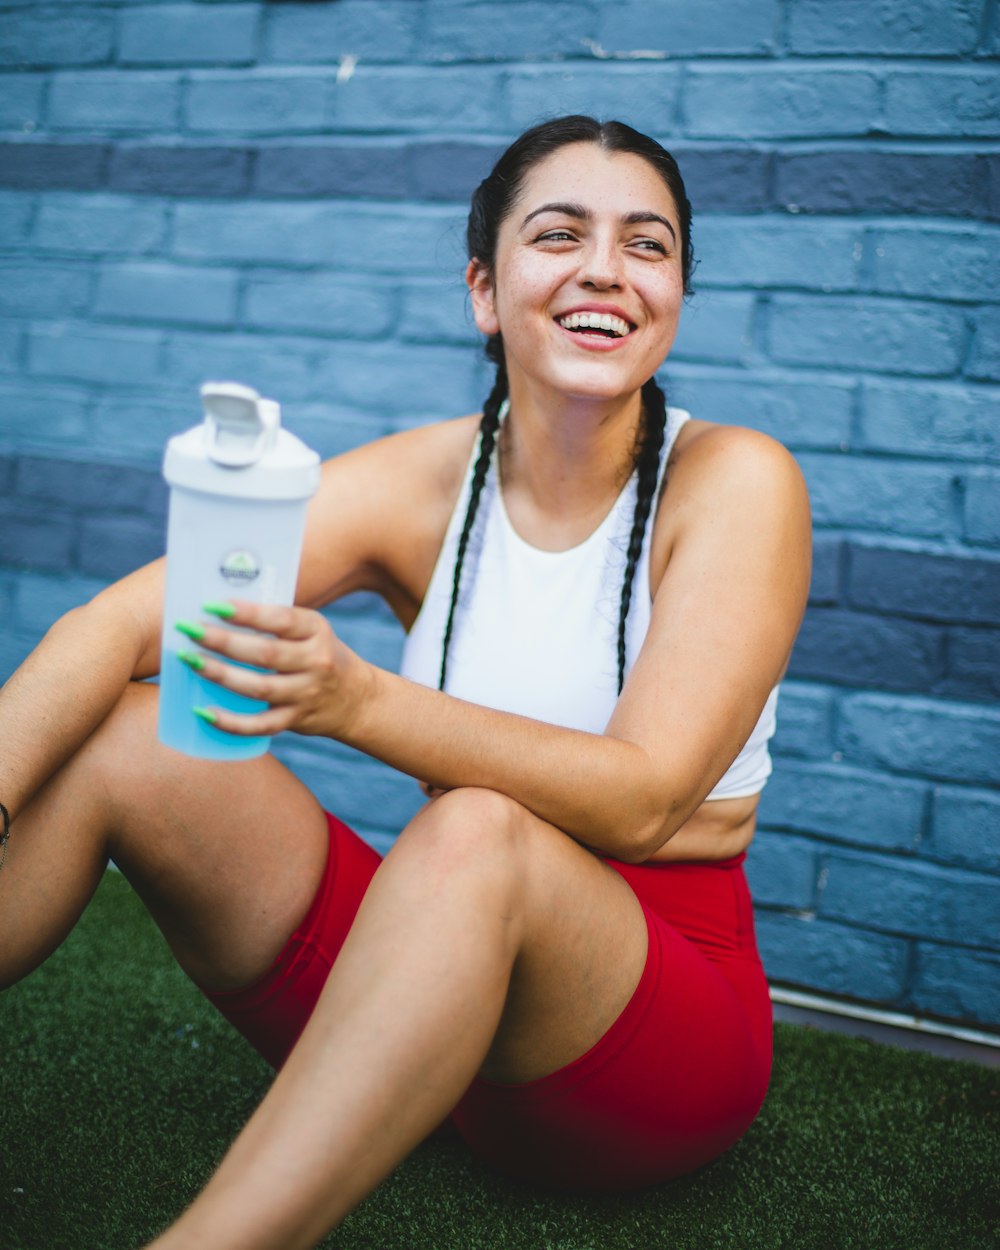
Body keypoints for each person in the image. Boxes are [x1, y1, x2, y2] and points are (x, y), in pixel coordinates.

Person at [0, 115, 811, 1249]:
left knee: (475, 829)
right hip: (431, 989)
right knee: (123, 734)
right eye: (559, 233)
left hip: (644, 1039)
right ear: (484, 289)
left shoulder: (736, 481)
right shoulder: (431, 478)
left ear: (675, 291)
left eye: (647, 244)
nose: (604, 269)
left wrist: (354, 701)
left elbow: (642, 798)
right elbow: (114, 623)